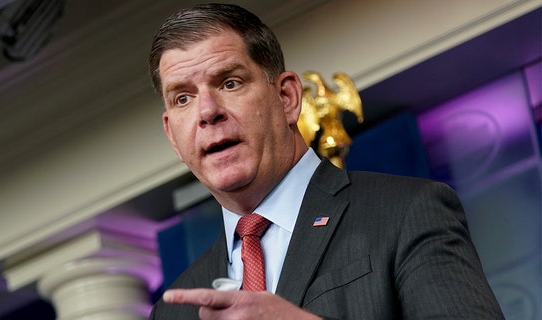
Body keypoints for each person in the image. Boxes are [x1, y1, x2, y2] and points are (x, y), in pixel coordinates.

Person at [147, 3, 504, 320]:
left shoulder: (405, 212)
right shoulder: (173, 311)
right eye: (182, 98)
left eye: (229, 83)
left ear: (287, 97)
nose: (207, 112)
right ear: (172, 136)